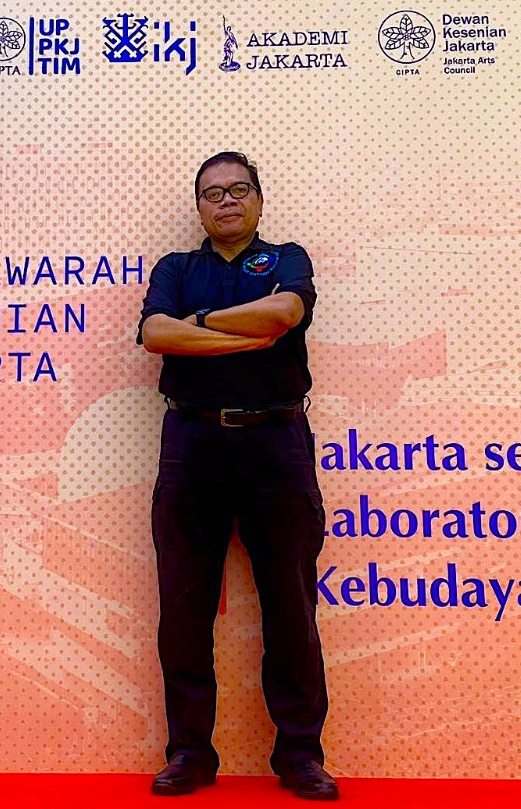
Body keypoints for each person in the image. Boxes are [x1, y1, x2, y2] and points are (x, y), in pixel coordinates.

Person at [136, 152, 337, 801]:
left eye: (238, 189)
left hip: (276, 443)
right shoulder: (176, 269)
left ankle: (300, 755)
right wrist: (234, 331)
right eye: (212, 192)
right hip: (191, 443)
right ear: (198, 207)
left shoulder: (286, 258)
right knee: (184, 607)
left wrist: (197, 326)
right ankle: (189, 753)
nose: (226, 201)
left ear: (258, 200)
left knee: (290, 604)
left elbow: (281, 316)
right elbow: (155, 333)